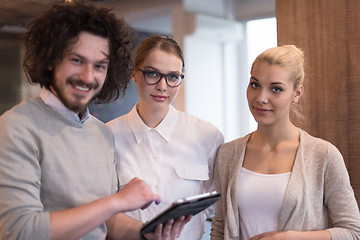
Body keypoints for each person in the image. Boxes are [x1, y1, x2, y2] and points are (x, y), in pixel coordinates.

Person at [0, 2, 190, 240]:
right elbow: (19, 231)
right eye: (77, 60)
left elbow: (106, 222)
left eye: (99, 65)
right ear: (50, 59)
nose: (88, 77)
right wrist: (116, 201)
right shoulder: (16, 127)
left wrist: (144, 233)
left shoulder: (101, 134)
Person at [210, 45, 360, 240]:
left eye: (276, 89)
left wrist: (290, 237)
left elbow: (352, 231)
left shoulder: (324, 155)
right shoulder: (228, 153)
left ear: (296, 94)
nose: (261, 98)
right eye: (255, 84)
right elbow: (220, 228)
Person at [106, 35, 224, 240]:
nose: (162, 86)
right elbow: (100, 212)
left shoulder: (207, 136)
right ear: (134, 73)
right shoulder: (107, 136)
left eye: (173, 77)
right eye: (152, 74)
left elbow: (216, 205)